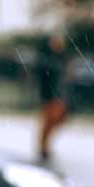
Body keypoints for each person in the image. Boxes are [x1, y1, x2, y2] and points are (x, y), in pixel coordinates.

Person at [35, 31, 71, 162]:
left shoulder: (62, 58)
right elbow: (44, 78)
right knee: (49, 121)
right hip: (50, 95)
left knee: (57, 120)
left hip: (59, 95)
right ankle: (43, 147)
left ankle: (44, 146)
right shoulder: (47, 59)